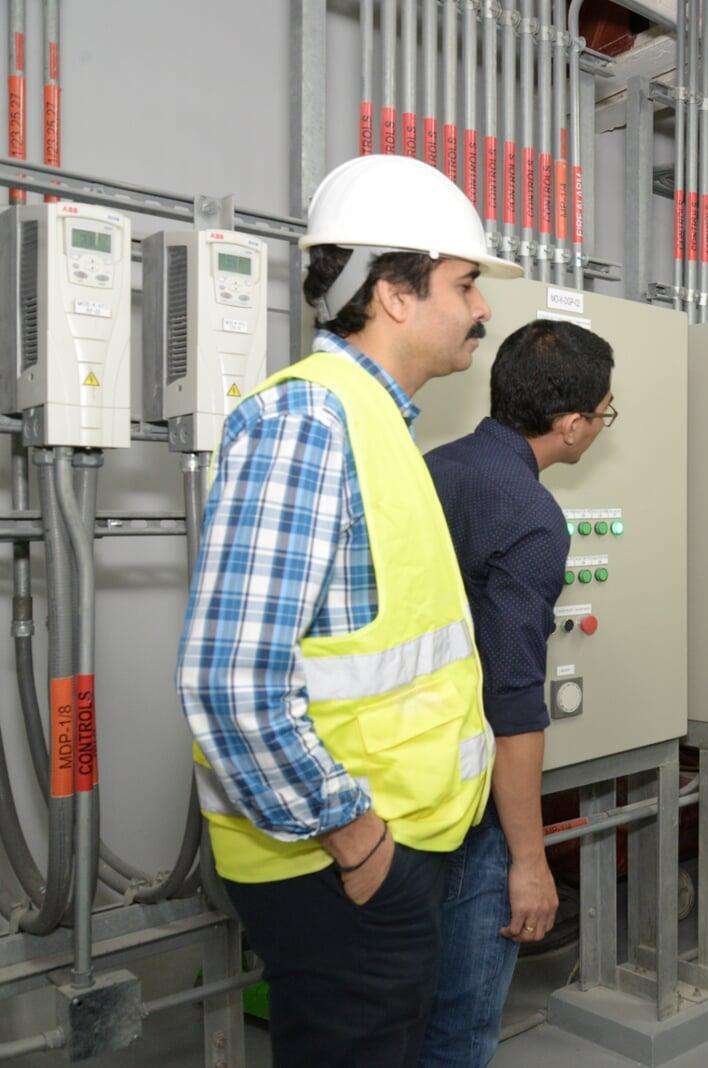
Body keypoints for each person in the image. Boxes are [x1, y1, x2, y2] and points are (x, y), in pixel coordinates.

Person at [177, 154, 523, 1066]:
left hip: (383, 854)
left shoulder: (372, 421)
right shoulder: (309, 422)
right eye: (466, 283)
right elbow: (229, 682)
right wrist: (359, 842)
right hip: (339, 863)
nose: (483, 308)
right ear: (394, 294)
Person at [418, 321, 617, 1067]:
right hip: (471, 800)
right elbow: (512, 696)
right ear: (571, 426)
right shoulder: (532, 517)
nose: (603, 424)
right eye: (605, 412)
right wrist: (529, 862)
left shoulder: (433, 468)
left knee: (402, 1010)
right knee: (460, 1026)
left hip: (401, 780)